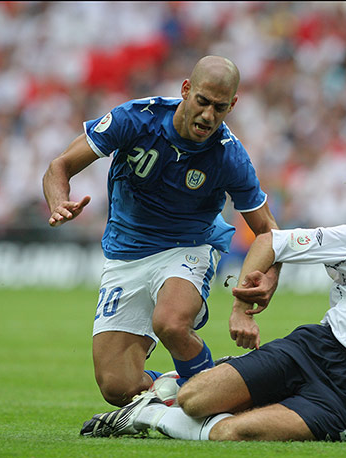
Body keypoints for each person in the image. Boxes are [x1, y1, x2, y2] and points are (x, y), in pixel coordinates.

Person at [79, 156, 346, 441]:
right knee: (194, 400)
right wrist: (242, 307)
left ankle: (146, 414)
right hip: (315, 349)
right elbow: (272, 241)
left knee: (231, 434)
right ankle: (177, 395)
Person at [42, 55, 280, 407]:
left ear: (233, 105)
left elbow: (267, 232)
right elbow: (59, 166)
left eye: (220, 107)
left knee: (170, 322)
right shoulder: (136, 120)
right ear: (186, 90)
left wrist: (258, 290)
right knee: (116, 387)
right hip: (126, 253)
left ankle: (217, 398)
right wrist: (59, 201)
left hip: (189, 246)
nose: (209, 115)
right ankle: (202, 380)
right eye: (202, 101)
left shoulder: (230, 157)